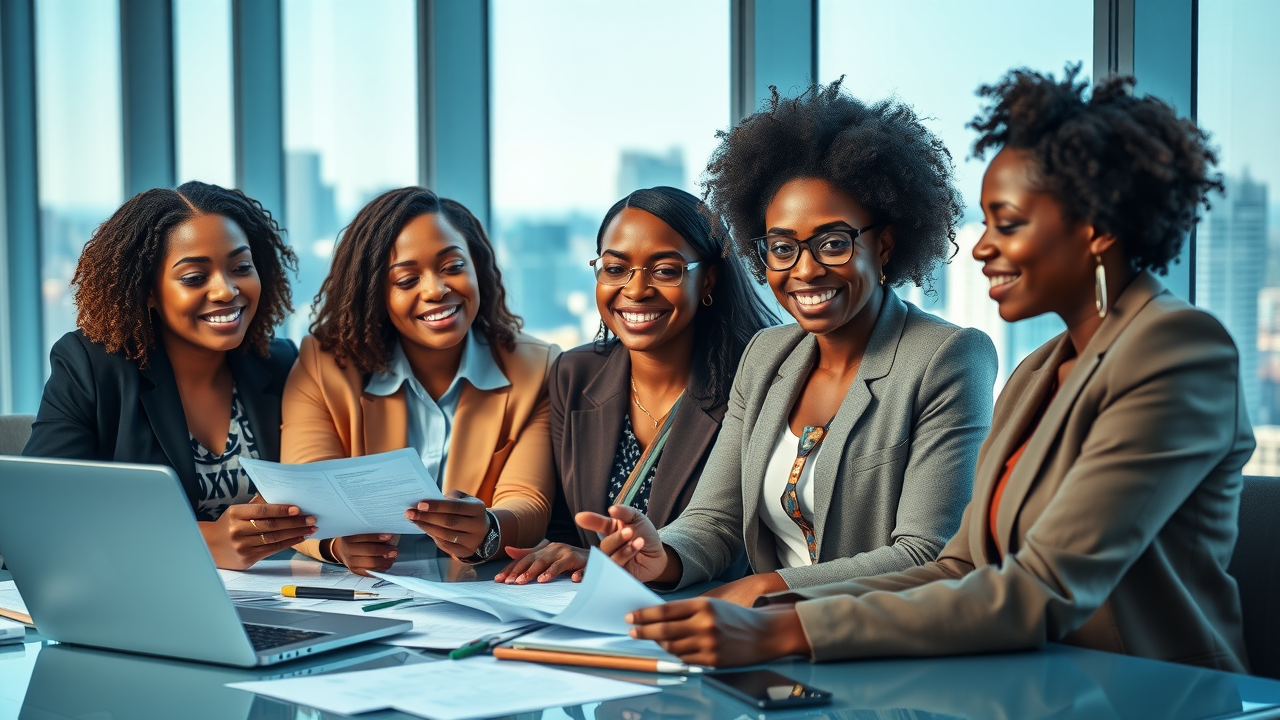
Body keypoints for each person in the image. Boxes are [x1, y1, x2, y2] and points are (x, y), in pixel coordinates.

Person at [621, 65, 1253, 673]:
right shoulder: (1040, 370)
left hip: (1157, 693)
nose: (981, 247)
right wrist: (765, 605)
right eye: (783, 247)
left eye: (1007, 224)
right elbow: (960, 568)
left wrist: (784, 623)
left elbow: (1042, 588)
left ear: (1098, 230)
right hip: (1039, 682)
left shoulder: (1176, 350)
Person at [579, 80, 998, 605]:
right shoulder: (766, 355)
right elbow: (714, 521)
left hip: (867, 636)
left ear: (885, 244)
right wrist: (662, 555)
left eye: (833, 243)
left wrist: (766, 588)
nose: (805, 270)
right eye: (782, 247)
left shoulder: (947, 358)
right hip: (758, 631)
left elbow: (926, 555)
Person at [494, 187, 777, 585]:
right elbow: (564, 528)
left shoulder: (757, 384)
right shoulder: (574, 374)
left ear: (708, 280)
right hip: (591, 608)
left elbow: (738, 543)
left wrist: (609, 564)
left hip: (708, 608)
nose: (636, 289)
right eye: (614, 269)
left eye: (665, 270)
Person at [23, 182, 305, 570]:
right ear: (149, 290)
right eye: (194, 277)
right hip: (137, 594)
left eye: (241, 268)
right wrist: (205, 542)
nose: (226, 290)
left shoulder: (281, 363)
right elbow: (40, 513)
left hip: (281, 594)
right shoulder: (91, 366)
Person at [282, 187, 557, 575]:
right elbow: (306, 497)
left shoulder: (536, 368)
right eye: (407, 279)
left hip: (476, 585)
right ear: (374, 293)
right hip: (357, 589)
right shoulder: (324, 365)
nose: (436, 290)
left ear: (477, 267)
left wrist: (488, 529)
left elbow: (528, 500)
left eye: (453, 267)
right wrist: (338, 545)